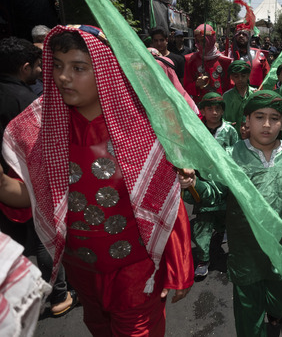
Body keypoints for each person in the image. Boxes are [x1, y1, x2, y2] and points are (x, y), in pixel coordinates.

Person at [0, 25, 194, 336]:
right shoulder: (42, 128)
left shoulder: (141, 126)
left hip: (136, 271)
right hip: (82, 271)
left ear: (106, 71)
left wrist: (179, 264)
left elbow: (166, 203)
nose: (63, 77)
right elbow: (32, 195)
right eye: (58, 66)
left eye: (78, 68)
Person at [0, 36, 75, 318]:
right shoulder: (31, 104)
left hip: (11, 185)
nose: (54, 74)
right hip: (26, 183)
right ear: (25, 68)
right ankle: (58, 294)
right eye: (51, 65)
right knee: (44, 237)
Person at [227, 90, 282, 336]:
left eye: (274, 118)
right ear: (247, 121)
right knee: (248, 310)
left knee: (281, 298)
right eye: (259, 117)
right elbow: (214, 192)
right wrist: (193, 186)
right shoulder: (232, 155)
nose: (266, 124)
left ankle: (277, 312)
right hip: (246, 247)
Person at [183, 92, 238, 277]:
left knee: (224, 216)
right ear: (203, 110)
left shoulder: (230, 131)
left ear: (223, 110)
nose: (214, 112)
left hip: (225, 184)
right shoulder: (195, 129)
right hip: (204, 185)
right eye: (209, 108)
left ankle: (221, 230)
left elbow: (237, 156)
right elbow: (188, 154)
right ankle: (203, 258)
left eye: (218, 108)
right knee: (203, 223)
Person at [184, 24, 232, 103]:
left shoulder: (225, 61)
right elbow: (186, 87)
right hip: (200, 107)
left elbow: (229, 88)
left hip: (219, 106)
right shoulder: (190, 60)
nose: (200, 44)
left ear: (211, 39)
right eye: (198, 41)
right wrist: (195, 84)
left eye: (203, 41)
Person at [223, 60, 256, 134]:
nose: (240, 79)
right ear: (231, 77)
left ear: (248, 75)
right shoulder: (227, 96)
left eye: (243, 76)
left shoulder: (255, 94)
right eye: (236, 76)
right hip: (231, 135)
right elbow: (221, 118)